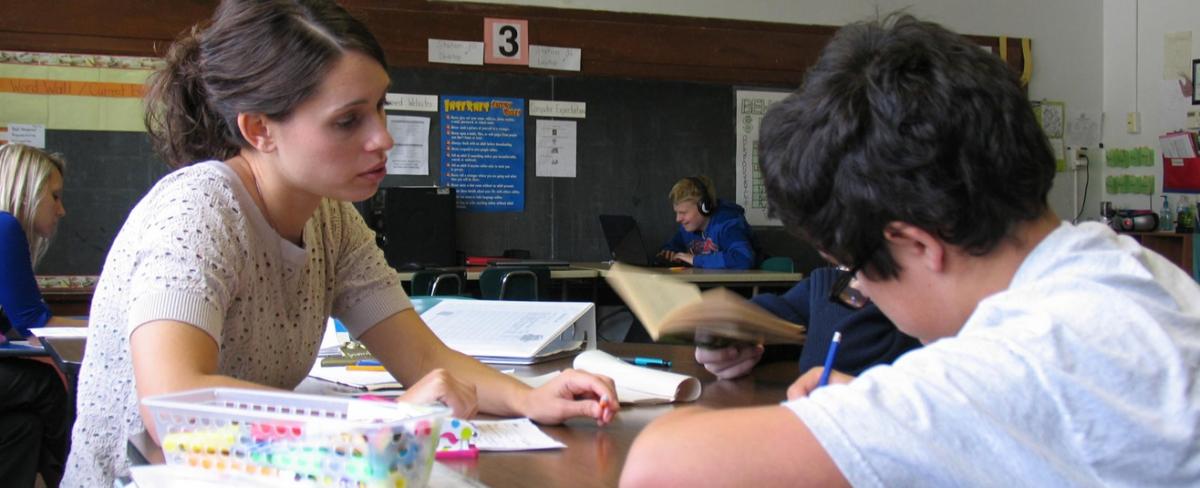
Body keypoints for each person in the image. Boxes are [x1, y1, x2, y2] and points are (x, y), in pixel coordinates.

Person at [622, 14, 1200, 487]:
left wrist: (883, 412)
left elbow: (658, 466)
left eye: (856, 267)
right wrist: (890, 418)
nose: (859, 287)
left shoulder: (1017, 365)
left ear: (917, 244)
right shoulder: (1128, 270)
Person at [62, 1, 618, 485]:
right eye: (348, 120)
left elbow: (423, 358)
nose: (383, 138)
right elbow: (175, 406)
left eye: (380, 106)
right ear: (259, 130)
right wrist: (376, 421)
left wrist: (530, 397)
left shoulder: (333, 219)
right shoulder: (197, 211)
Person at [0, 143, 75, 487]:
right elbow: (33, 322)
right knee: (46, 385)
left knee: (22, 429)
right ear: (28, 192)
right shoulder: (4, 227)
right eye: (55, 196)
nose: (61, 210)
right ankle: (73, 478)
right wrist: (108, 330)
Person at [695, 267, 919, 380]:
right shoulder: (836, 280)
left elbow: (836, 358)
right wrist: (734, 335)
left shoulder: (930, 318)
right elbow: (787, 312)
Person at [658, 175, 756, 269]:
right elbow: (672, 247)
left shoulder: (728, 223)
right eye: (677, 212)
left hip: (737, 285)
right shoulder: (688, 227)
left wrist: (695, 260)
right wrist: (670, 253)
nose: (678, 219)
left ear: (704, 207)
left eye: (683, 212)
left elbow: (744, 258)